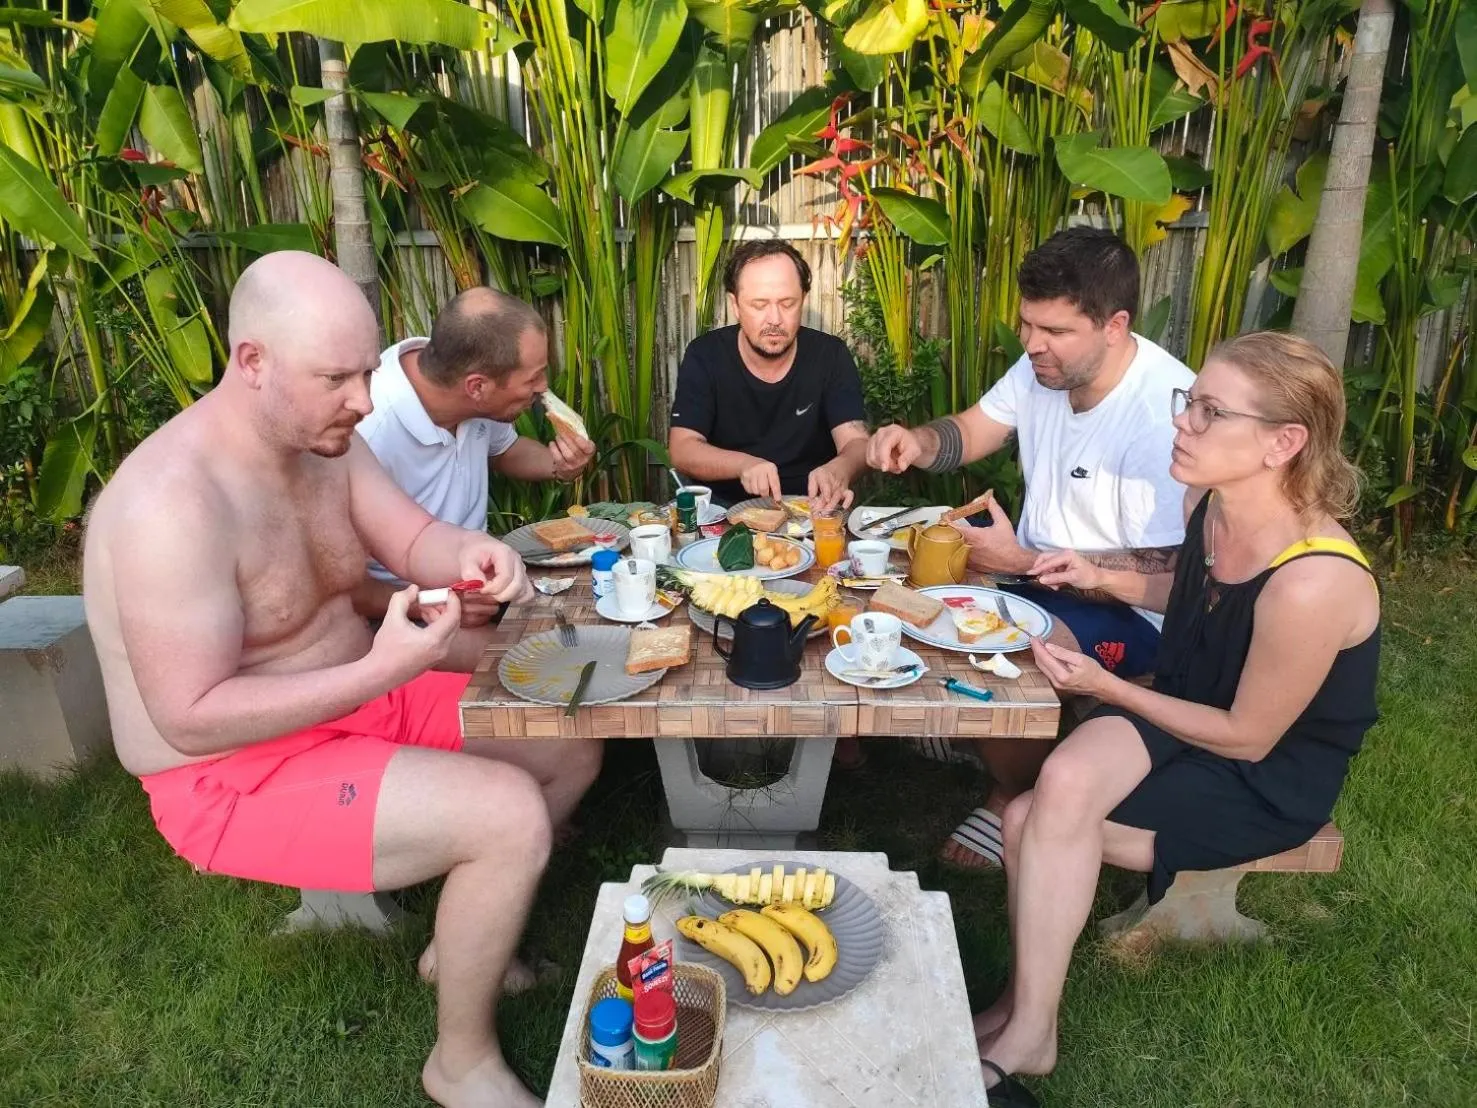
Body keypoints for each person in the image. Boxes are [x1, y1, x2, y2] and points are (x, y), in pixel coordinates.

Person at [82, 251, 603, 1108]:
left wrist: (468, 554)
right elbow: (190, 718)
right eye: (338, 377)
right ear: (251, 363)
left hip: (356, 695)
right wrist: (379, 670)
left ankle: (468, 933)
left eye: (366, 371)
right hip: (226, 771)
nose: (364, 399)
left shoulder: (325, 441)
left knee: (562, 733)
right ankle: (459, 1062)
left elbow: (412, 541)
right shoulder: (170, 507)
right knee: (506, 815)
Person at [972, 332, 1381, 1105]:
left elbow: (1248, 734)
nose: (1182, 424)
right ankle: (1022, 1017)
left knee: (1030, 818)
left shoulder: (1313, 582)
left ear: (1281, 443)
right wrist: (1101, 578)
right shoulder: (1209, 506)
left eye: (1208, 412)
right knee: (1058, 781)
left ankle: (1028, 1030)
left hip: (1260, 769)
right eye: (1187, 404)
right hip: (1188, 701)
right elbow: (1194, 599)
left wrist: (1108, 686)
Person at [866, 227, 1196, 868]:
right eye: (1026, 325)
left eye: (1053, 331)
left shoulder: (1163, 416)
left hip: (1136, 612)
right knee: (906, 597)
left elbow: (1179, 571)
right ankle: (978, 736)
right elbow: (968, 430)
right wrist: (917, 441)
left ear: (1114, 324)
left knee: (1004, 654)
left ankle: (1011, 790)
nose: (1033, 344)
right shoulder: (1045, 367)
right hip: (1040, 577)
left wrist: (1020, 564)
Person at [355, 287, 596, 665]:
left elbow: (506, 451)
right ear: (477, 386)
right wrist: (429, 601)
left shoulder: (476, 399)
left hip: (481, 584)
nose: (543, 388)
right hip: (396, 614)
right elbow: (339, 587)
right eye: (533, 378)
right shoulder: (367, 430)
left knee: (588, 624)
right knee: (548, 664)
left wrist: (559, 465)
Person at [668, 239, 869, 510]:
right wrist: (744, 465)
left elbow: (856, 442)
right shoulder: (706, 355)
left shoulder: (830, 355)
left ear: (802, 301)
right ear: (735, 305)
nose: (774, 318)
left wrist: (839, 469)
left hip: (811, 510)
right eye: (759, 305)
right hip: (721, 511)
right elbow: (682, 449)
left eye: (787, 303)